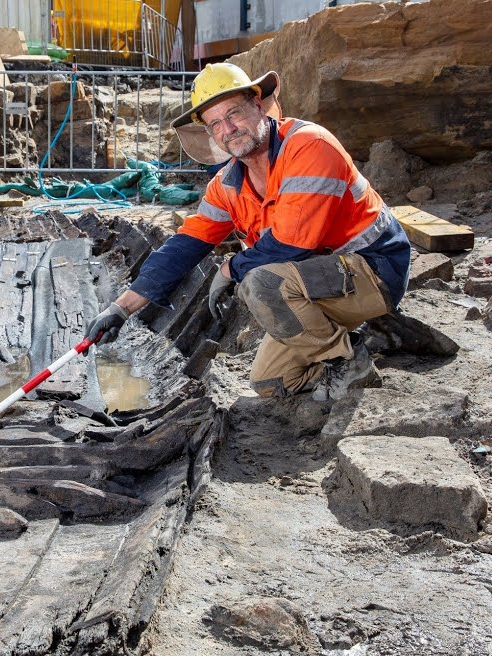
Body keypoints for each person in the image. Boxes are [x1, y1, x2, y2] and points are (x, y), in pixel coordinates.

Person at [84, 63, 412, 402]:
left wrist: (229, 269)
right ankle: (371, 333)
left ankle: (348, 358)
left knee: (260, 282)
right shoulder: (227, 184)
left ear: (258, 105)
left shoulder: (308, 147)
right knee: (271, 382)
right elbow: (184, 246)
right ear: (210, 133)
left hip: (374, 271)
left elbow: (292, 242)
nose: (228, 129)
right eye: (216, 124)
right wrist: (120, 309)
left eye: (234, 114)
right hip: (321, 282)